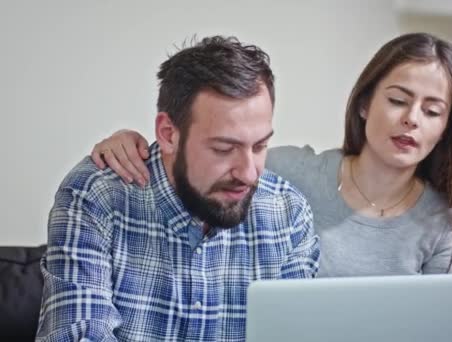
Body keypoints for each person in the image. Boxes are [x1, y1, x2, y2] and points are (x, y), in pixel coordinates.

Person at [90, 32, 452, 314]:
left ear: (446, 128)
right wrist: (128, 144)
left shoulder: (443, 227)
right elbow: (201, 153)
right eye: (398, 100)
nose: (412, 119)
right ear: (363, 103)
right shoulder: (287, 171)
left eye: (432, 111)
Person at [36, 36, 320, 341]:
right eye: (224, 148)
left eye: (260, 145)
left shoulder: (288, 213)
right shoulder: (96, 196)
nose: (249, 173)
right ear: (169, 134)